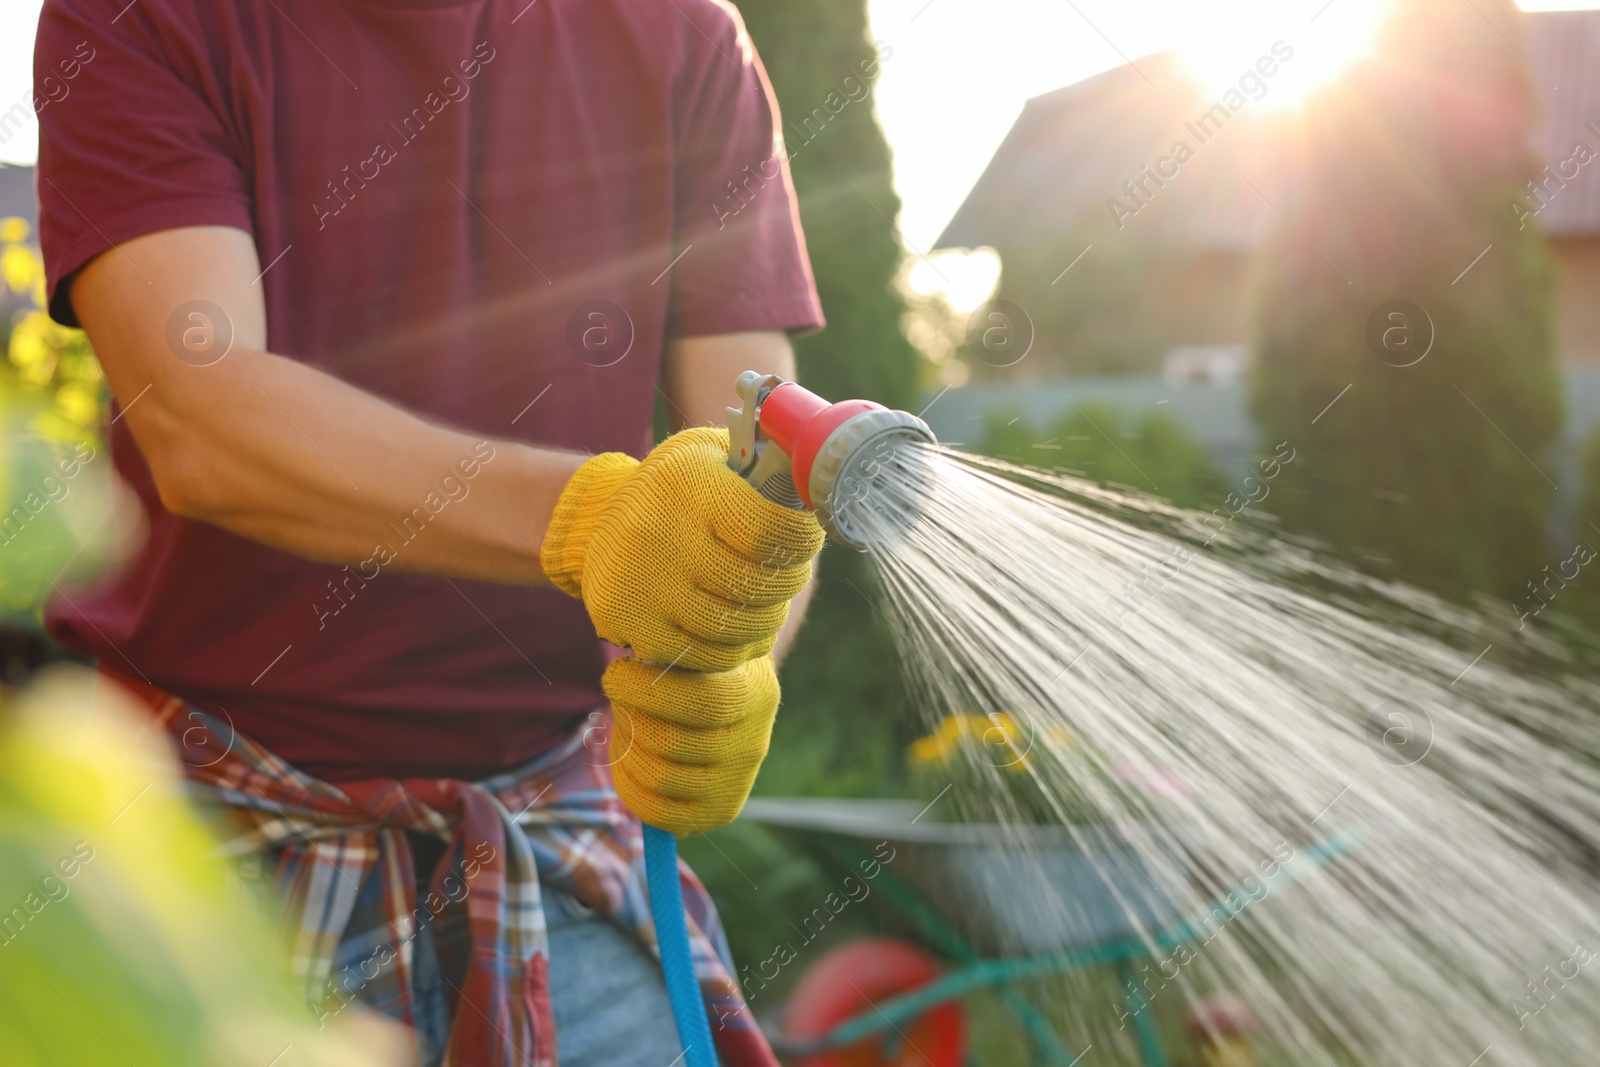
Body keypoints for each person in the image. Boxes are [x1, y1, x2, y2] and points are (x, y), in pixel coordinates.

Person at [32, 0, 826, 1063]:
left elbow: (757, 458)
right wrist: (589, 520)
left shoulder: (680, 34)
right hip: (208, 857)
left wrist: (725, 657)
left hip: (556, 821)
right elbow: (200, 414)